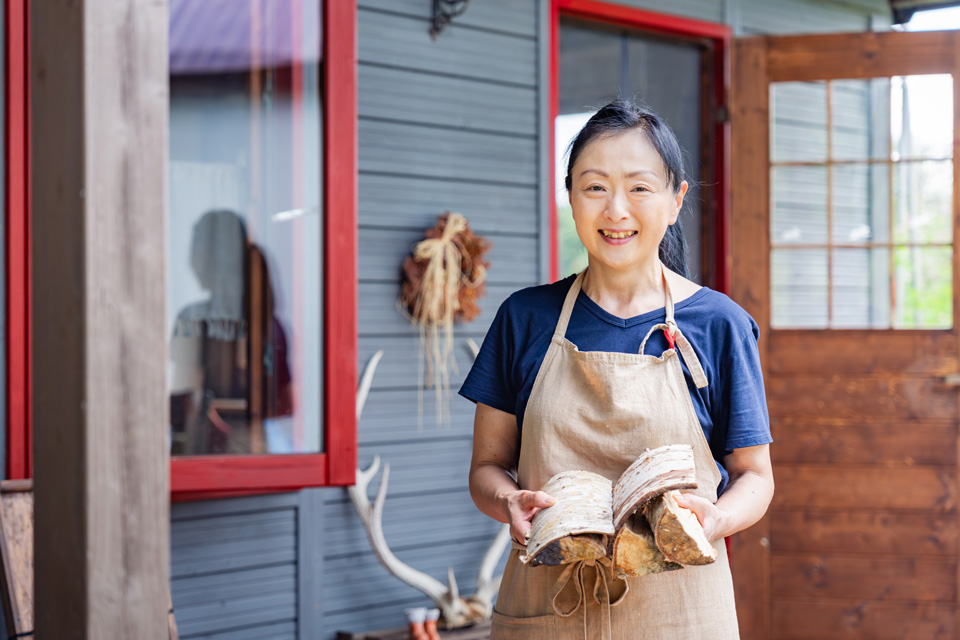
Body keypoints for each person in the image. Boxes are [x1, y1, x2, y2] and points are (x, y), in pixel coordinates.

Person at [460, 100, 774, 639]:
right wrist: (509, 500)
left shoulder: (719, 324)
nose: (616, 209)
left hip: (682, 616)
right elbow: (486, 468)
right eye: (595, 187)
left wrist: (717, 519)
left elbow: (755, 476)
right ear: (571, 197)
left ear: (676, 200)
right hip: (545, 613)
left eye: (639, 188)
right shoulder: (524, 317)